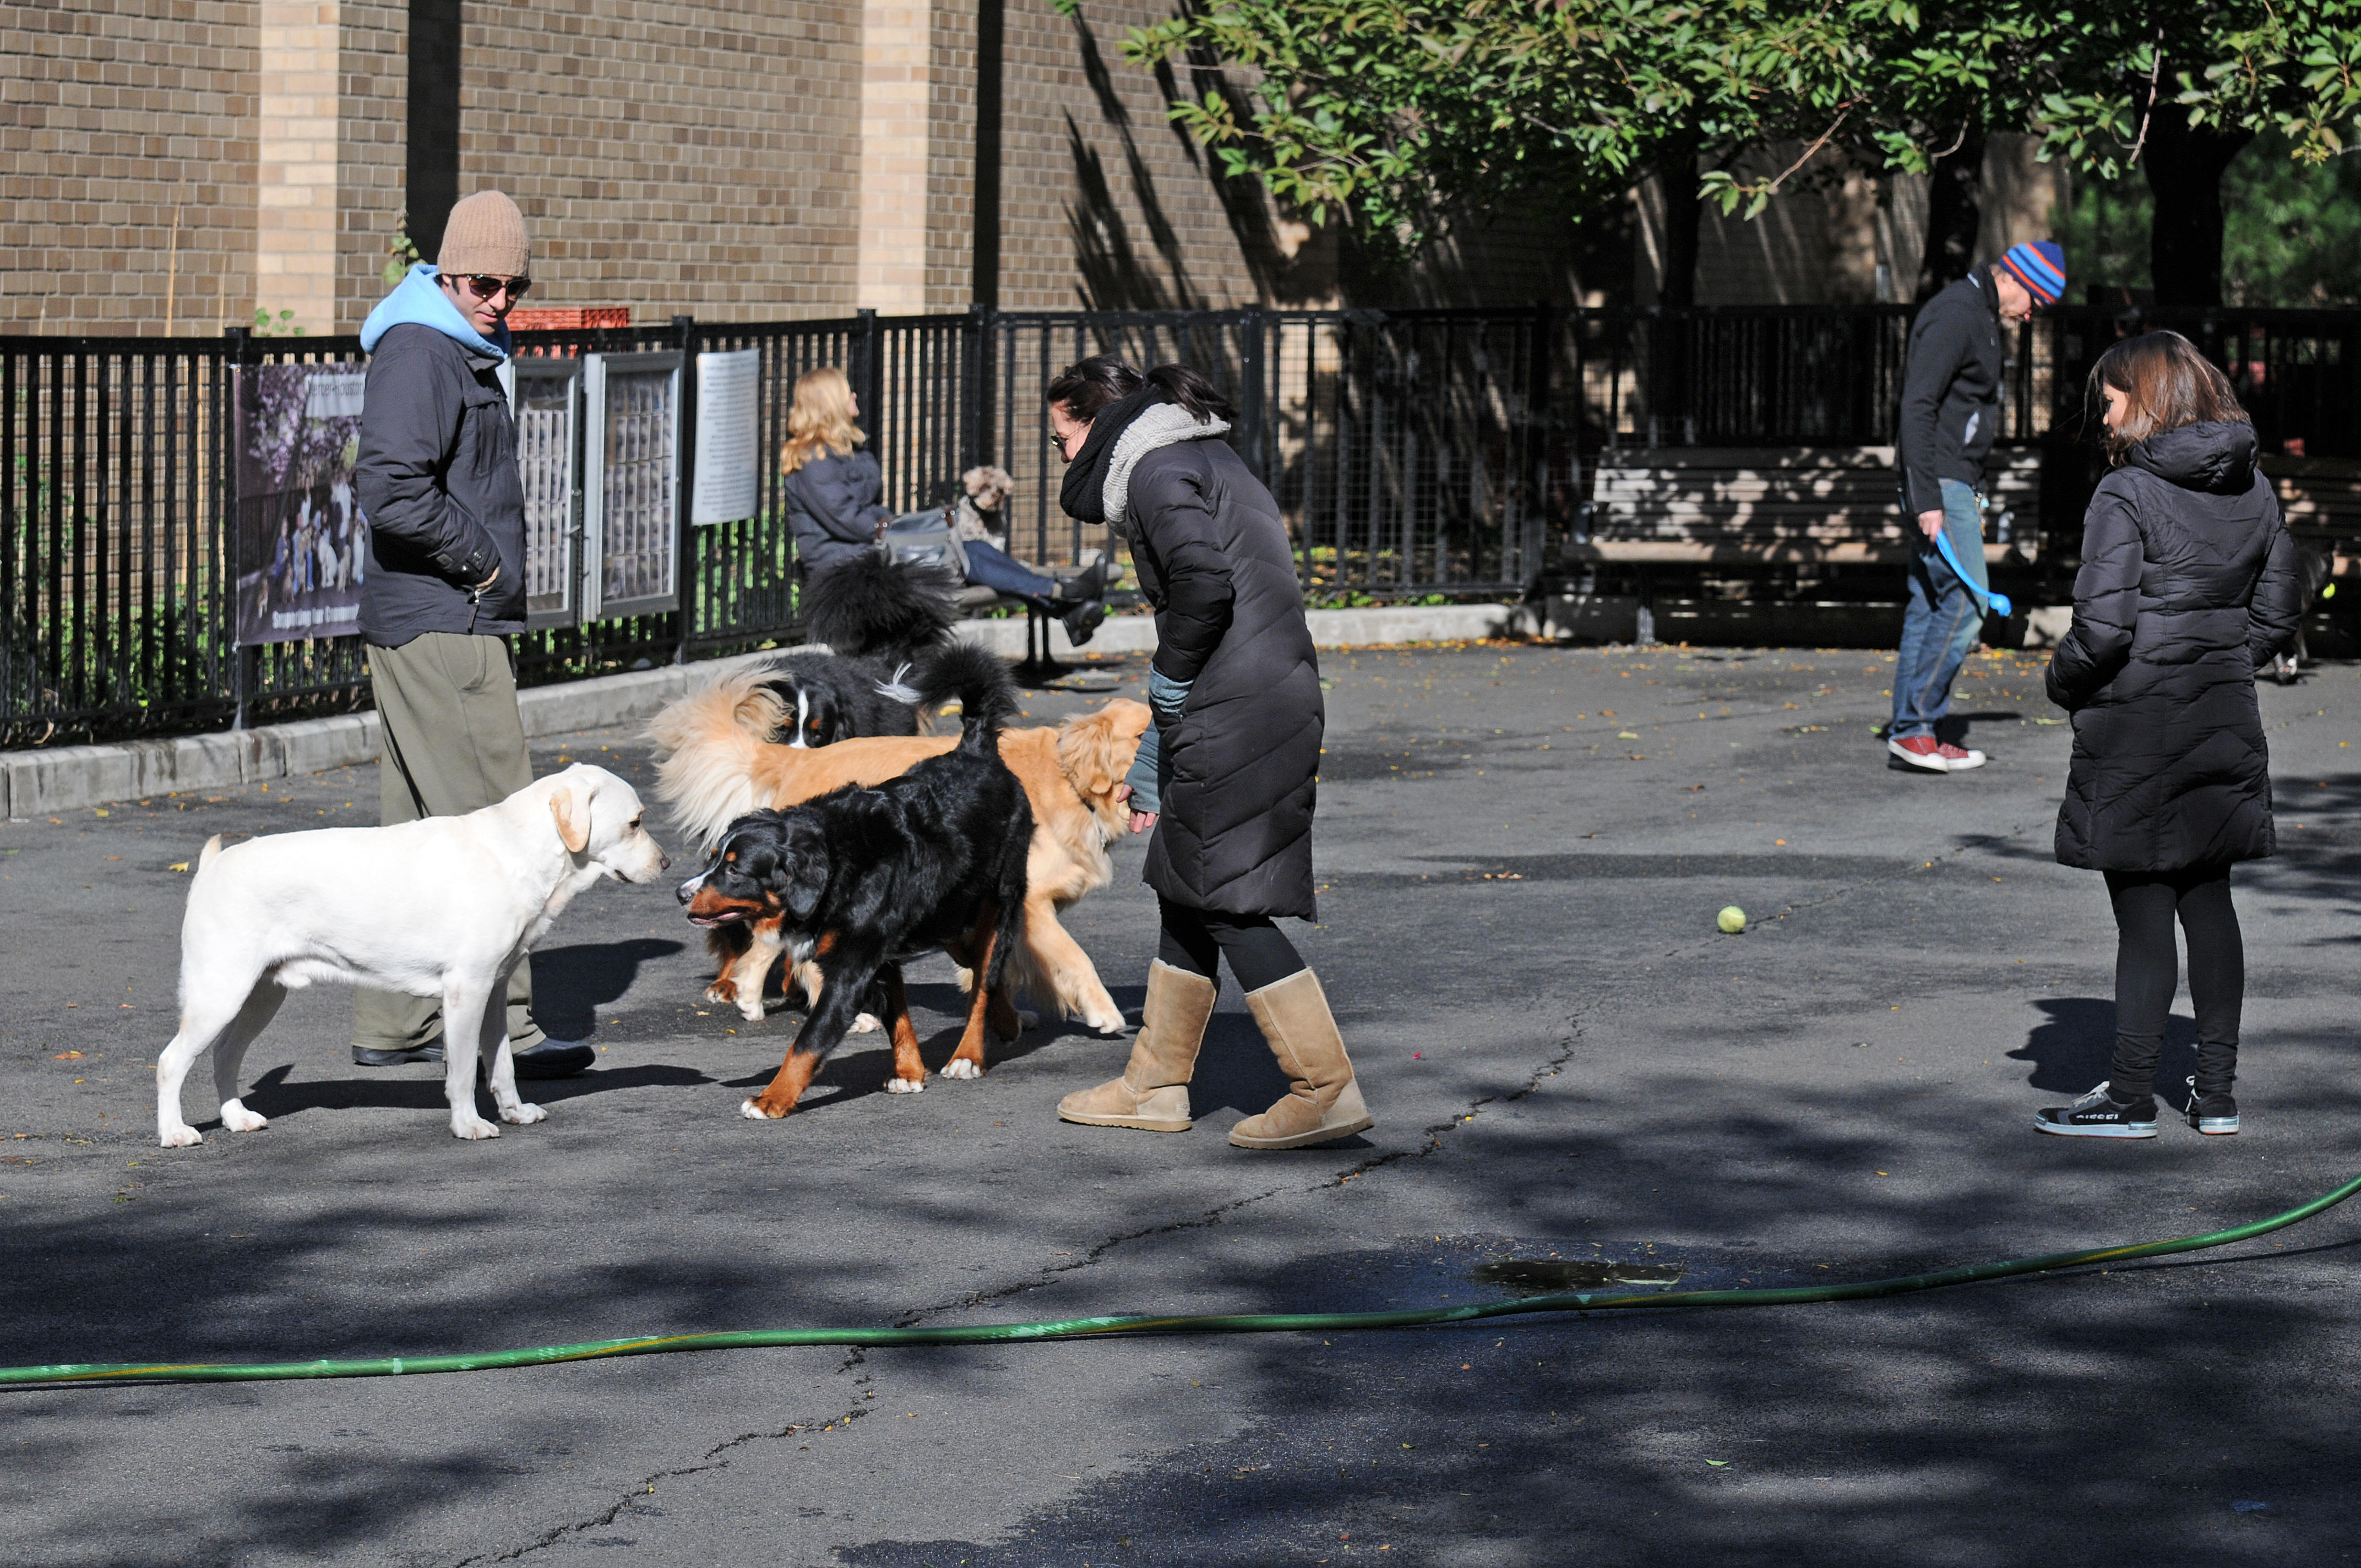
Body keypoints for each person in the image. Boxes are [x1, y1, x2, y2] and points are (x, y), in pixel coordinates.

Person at [1047, 355, 1374, 1150]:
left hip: (1239, 701)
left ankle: (1325, 1090)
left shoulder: (1157, 469)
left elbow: (1201, 584)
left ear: (1096, 421)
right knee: (1189, 885)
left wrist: (1167, 682)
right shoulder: (1198, 455)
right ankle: (1154, 1086)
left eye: (1060, 433)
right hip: (1260, 694)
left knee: (1227, 898)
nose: (1058, 452)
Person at [347, 189, 592, 1078]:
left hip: (427, 619)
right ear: (444, 273)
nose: (500, 300)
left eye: (514, 286)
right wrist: (483, 568)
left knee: (418, 835)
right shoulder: (423, 350)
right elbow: (392, 489)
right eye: (484, 282)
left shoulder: (443, 345)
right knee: (500, 836)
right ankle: (503, 1035)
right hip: (447, 621)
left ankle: (398, 1021)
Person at [2036, 331, 2299, 1137]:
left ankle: (2126, 1097)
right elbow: (2277, 612)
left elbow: (2104, 629)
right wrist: (2219, 660)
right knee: (2210, 901)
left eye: (2109, 401)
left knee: (2144, 910)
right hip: (2223, 712)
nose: (2103, 418)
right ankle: (2215, 1095)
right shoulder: (2255, 487)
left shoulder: (2124, 494)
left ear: (2145, 398)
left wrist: (2061, 679)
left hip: (2140, 721)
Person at [1889, 239, 2066, 774]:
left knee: (1929, 601)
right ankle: (1916, 728)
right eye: (2034, 300)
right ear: (2012, 277)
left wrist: (1971, 487)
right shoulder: (1958, 314)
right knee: (1969, 603)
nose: (2032, 313)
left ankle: (1911, 729)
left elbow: (1958, 411)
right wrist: (1928, 496)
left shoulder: (1977, 314)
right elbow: (1917, 405)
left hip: (1950, 479)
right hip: (1937, 480)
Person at [780, 368, 1109, 643]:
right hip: (846, 569)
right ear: (829, 403)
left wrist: (904, 528)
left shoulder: (849, 450)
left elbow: (869, 515)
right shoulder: (813, 459)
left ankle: (1066, 603)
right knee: (961, 551)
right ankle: (1066, 601)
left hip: (873, 553)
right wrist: (907, 529)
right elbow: (847, 520)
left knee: (966, 549)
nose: (854, 396)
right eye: (847, 393)